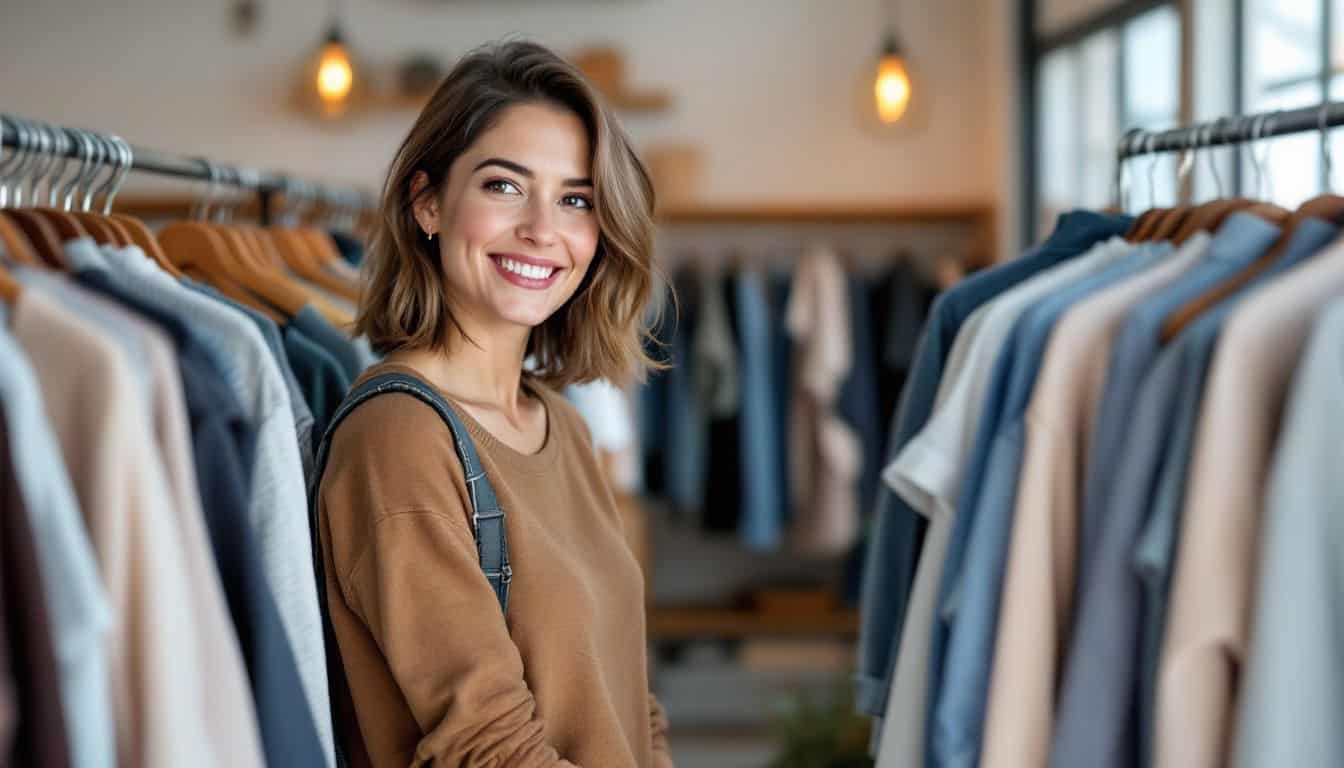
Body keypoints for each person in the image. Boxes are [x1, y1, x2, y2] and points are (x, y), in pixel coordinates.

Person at [315, 40, 674, 767]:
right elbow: (488, 747)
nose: (543, 229)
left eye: (576, 199)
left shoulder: (563, 427)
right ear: (427, 203)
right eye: (505, 186)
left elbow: (629, 700)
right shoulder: (398, 440)